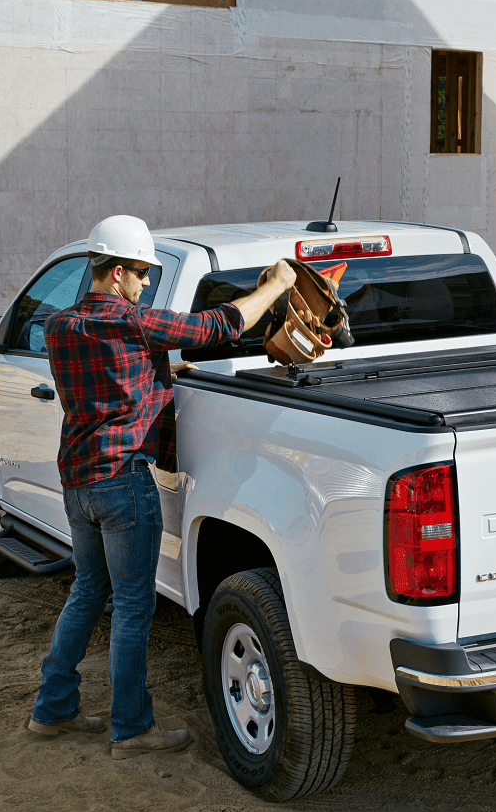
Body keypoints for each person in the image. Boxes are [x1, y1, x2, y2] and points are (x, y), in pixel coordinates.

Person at [28, 215, 298, 759]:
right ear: (120, 271)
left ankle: (52, 710)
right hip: (124, 482)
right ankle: (131, 728)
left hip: (78, 482)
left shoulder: (60, 326)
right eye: (144, 274)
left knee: (87, 592)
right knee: (132, 605)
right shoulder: (130, 324)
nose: (148, 283)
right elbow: (215, 328)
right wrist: (274, 287)